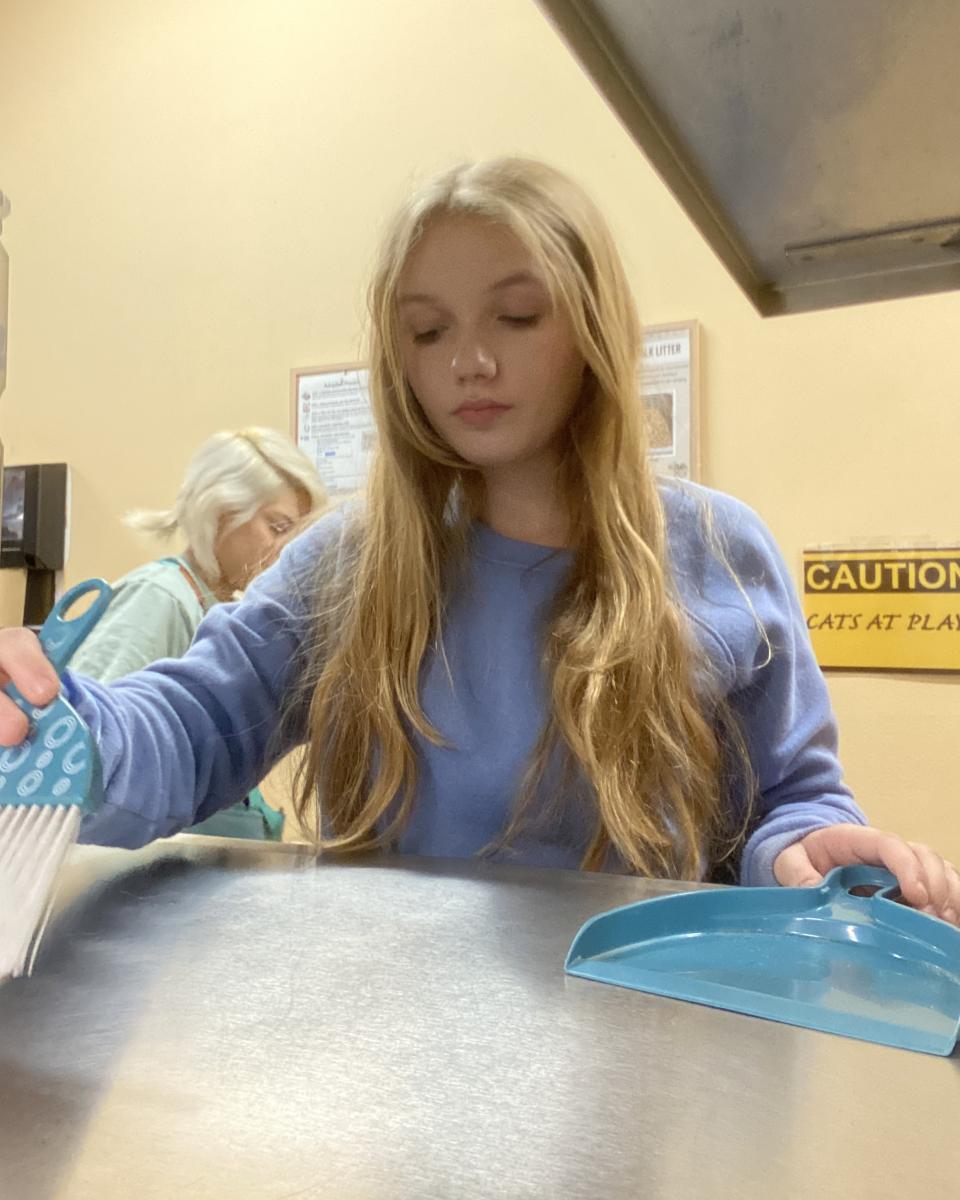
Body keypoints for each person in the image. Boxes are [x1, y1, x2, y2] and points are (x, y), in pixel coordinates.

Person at [1, 159, 957, 921]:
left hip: (643, 1042)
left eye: (518, 315)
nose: (470, 360)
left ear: (592, 326)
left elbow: (789, 799)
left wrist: (807, 852)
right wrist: (59, 727)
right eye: (428, 332)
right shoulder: (349, 562)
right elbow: (189, 726)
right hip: (395, 1043)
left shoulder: (721, 549)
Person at [68, 426, 327, 838]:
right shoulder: (161, 597)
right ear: (220, 515)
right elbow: (85, 757)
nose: (289, 551)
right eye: (278, 528)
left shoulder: (220, 612)